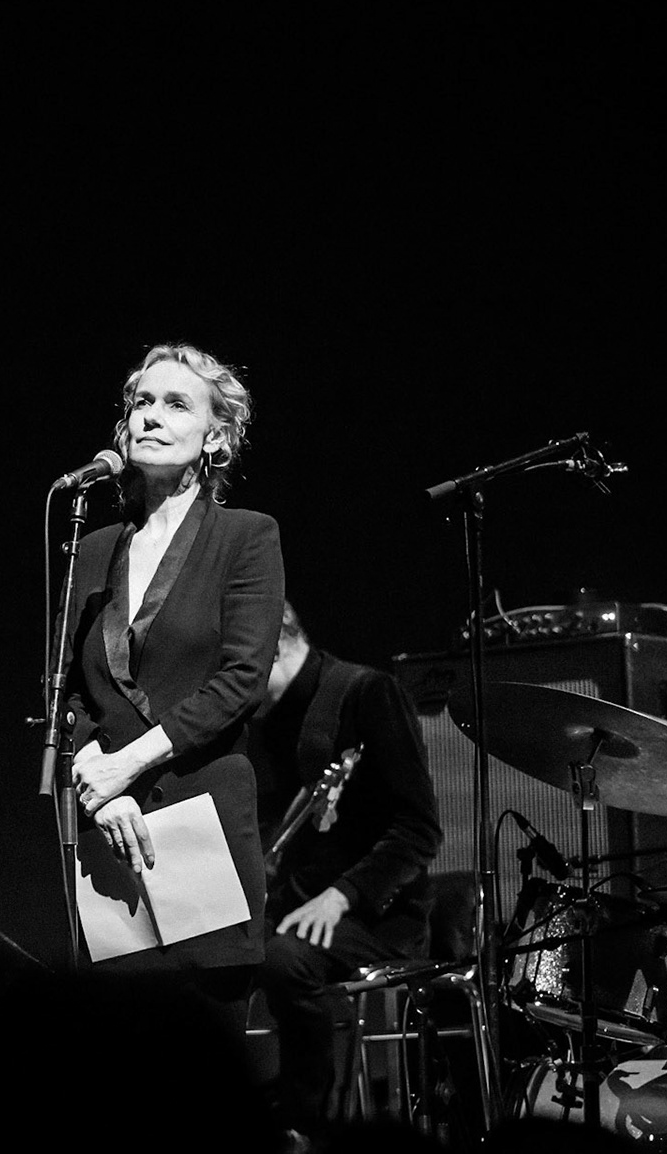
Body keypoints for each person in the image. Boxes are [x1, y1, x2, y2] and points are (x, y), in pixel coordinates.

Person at [65, 341, 285, 1026]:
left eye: (174, 403)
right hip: (109, 829)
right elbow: (64, 693)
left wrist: (129, 764)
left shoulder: (247, 537)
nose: (149, 417)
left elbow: (242, 680)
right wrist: (95, 783)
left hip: (203, 827)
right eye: (140, 403)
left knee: (204, 1080)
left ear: (214, 436)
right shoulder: (95, 548)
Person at [250, 601, 441, 1143]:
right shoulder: (269, 726)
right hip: (298, 903)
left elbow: (419, 829)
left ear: (271, 646)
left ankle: (307, 1120)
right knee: (204, 954)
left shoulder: (365, 694)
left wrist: (342, 895)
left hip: (378, 919)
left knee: (284, 959)